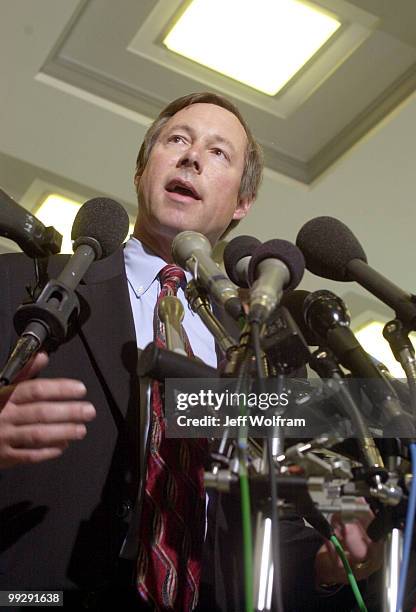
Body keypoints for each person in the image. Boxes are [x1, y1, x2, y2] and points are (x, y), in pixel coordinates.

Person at [0, 92, 384, 611]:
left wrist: (324, 564)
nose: (192, 156)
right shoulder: (27, 284)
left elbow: (269, 519)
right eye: (177, 139)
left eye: (219, 152)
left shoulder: (260, 345)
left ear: (242, 205)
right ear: (142, 170)